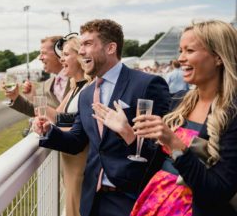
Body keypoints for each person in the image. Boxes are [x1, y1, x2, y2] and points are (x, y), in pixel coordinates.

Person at [34, 19, 171, 216]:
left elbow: (163, 151)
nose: (81, 51)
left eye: (88, 44)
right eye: (81, 45)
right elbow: (76, 141)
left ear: (110, 48)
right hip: (93, 200)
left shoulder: (147, 84)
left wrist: (127, 132)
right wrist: (49, 131)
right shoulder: (87, 94)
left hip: (131, 200)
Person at [131, 20, 237, 216]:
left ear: (218, 57)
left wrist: (174, 143)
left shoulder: (232, 113)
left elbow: (219, 190)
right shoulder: (178, 100)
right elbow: (155, 159)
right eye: (181, 51)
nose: (180, 58)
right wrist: (126, 132)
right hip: (154, 201)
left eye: (189, 51)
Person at [48, 33, 92, 216]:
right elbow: (59, 116)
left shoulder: (90, 88)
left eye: (66, 54)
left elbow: (71, 121)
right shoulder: (76, 87)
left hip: (81, 161)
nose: (61, 59)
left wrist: (41, 111)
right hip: (70, 162)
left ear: (80, 56)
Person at [5, 36, 70, 117]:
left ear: (59, 53)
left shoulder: (79, 79)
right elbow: (41, 112)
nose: (40, 58)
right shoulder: (46, 85)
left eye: (43, 53)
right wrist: (16, 97)